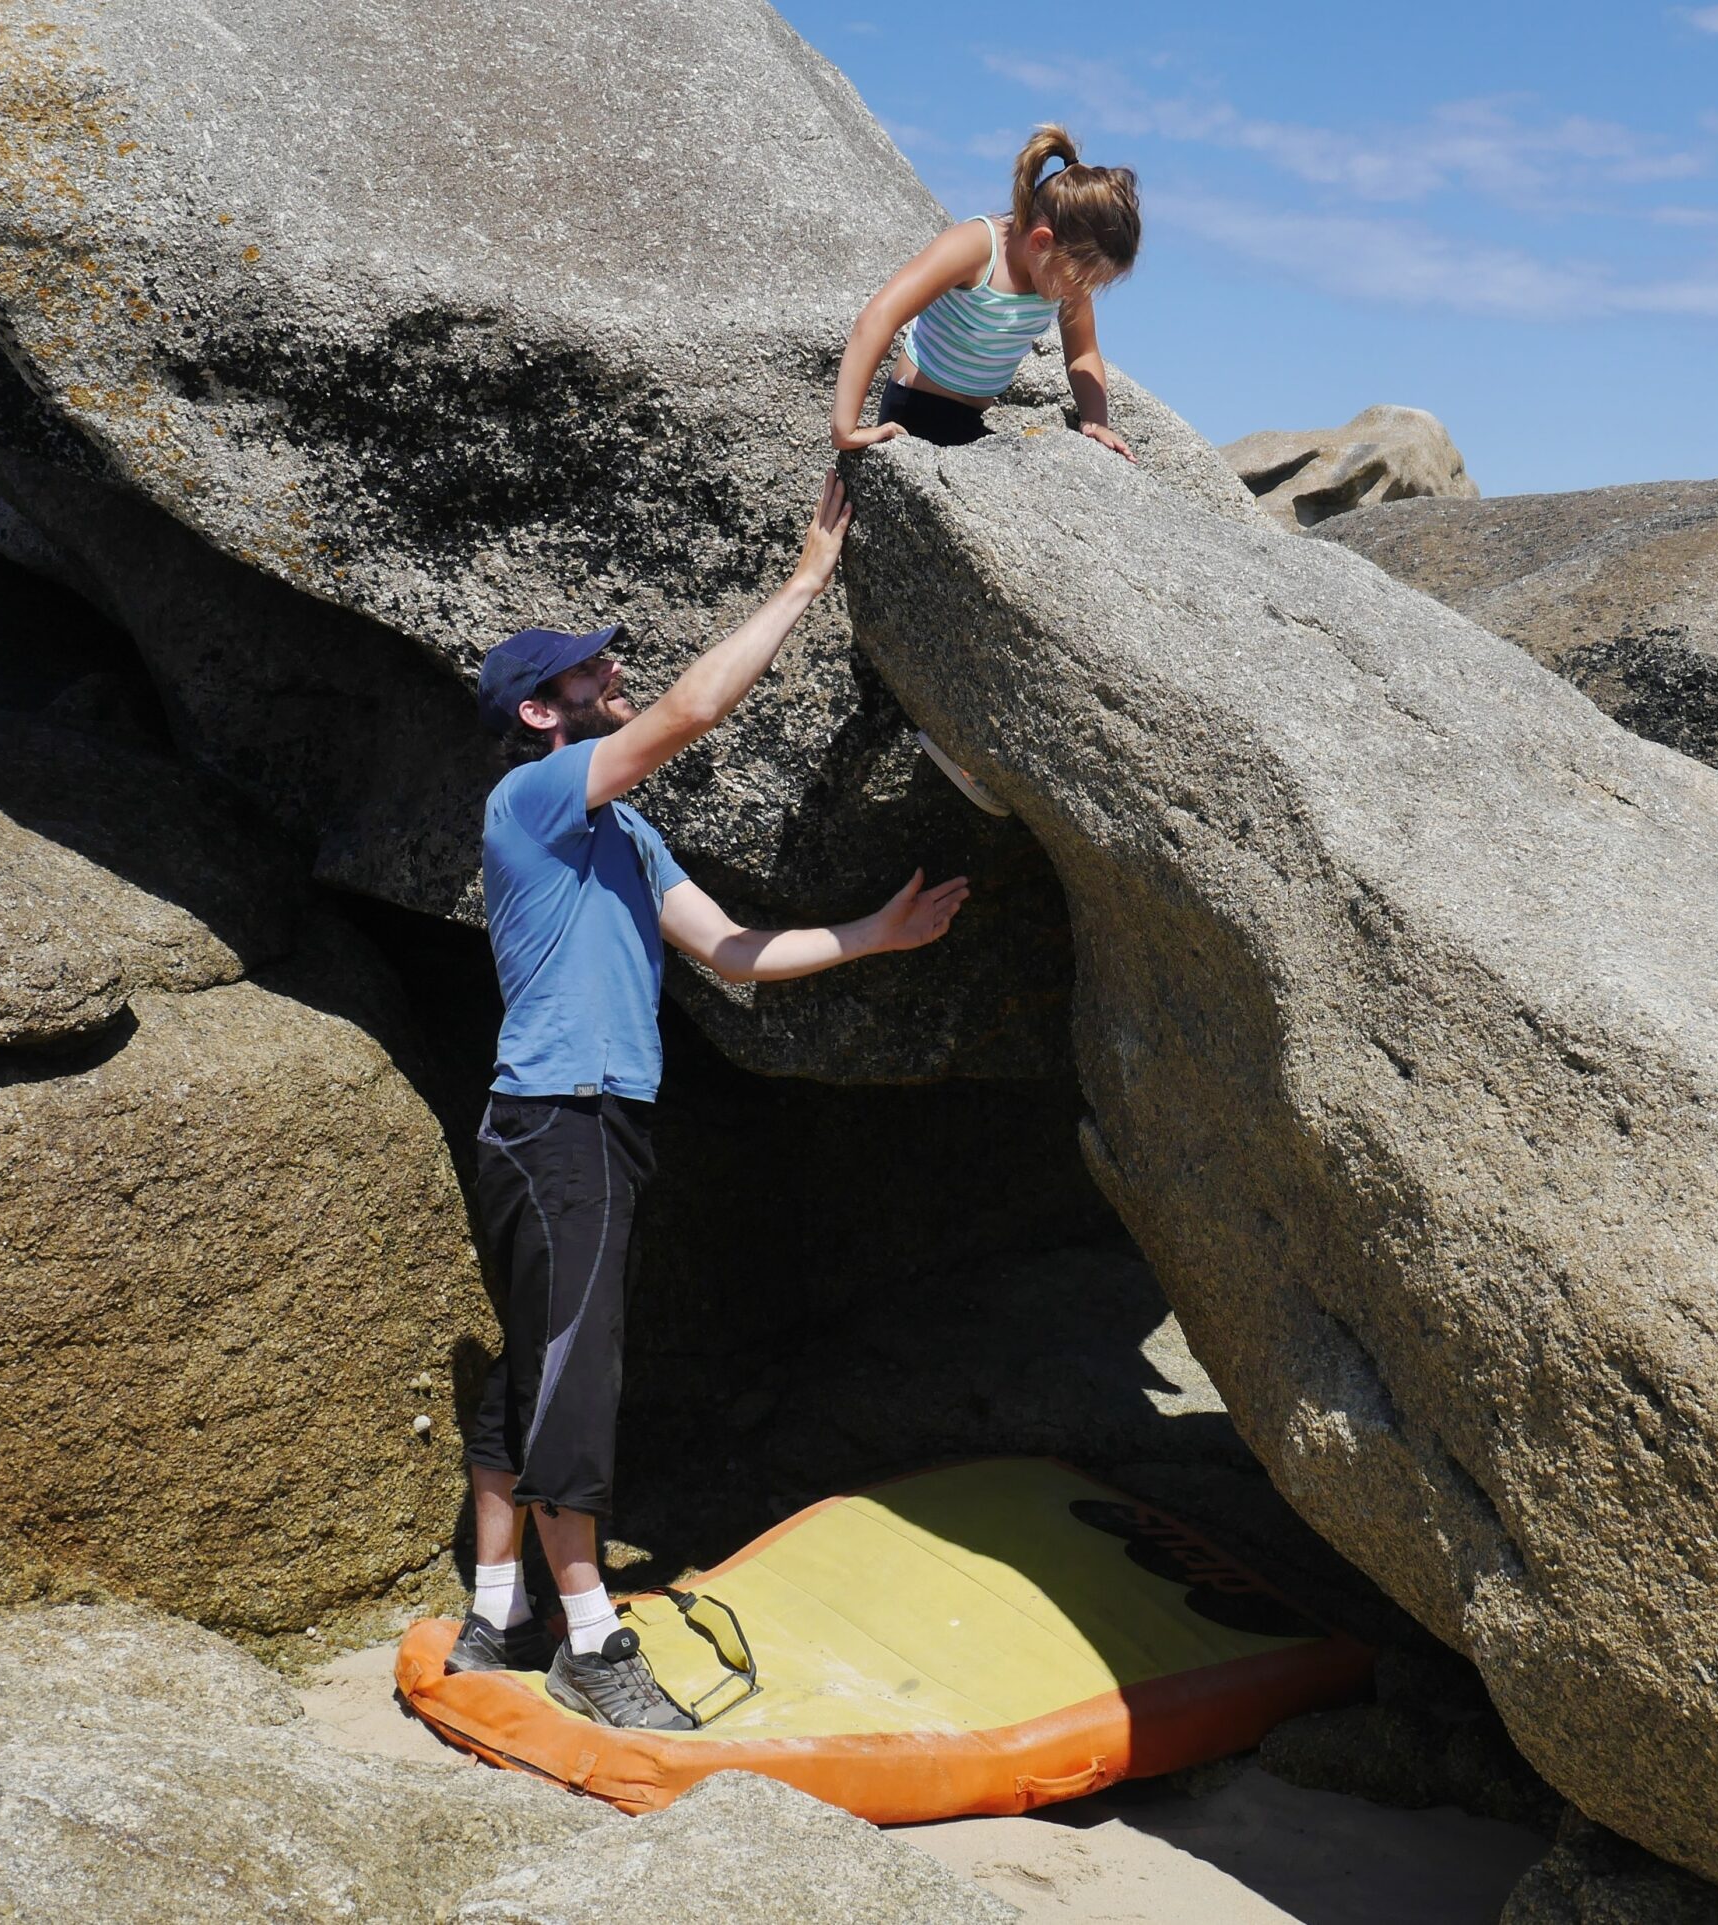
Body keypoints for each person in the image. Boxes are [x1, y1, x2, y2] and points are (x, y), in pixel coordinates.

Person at [448, 472, 968, 1731]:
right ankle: (587, 1639)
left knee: (545, 1364)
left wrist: (868, 938)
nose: (608, 679)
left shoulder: (624, 835)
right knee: (578, 1377)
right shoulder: (530, 797)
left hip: (592, 1122)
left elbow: (730, 948)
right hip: (557, 1118)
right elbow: (688, 709)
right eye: (585, 678)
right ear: (540, 710)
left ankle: (495, 1610)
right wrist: (801, 584)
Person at [828, 123, 1141, 815]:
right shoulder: (975, 247)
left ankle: (975, 737)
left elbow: (1083, 357)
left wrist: (1095, 420)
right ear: (1041, 243)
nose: (1079, 294)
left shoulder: (1059, 273)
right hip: (912, 416)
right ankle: (944, 727)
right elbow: (880, 315)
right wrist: (845, 426)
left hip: (969, 428)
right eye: (1081, 278)